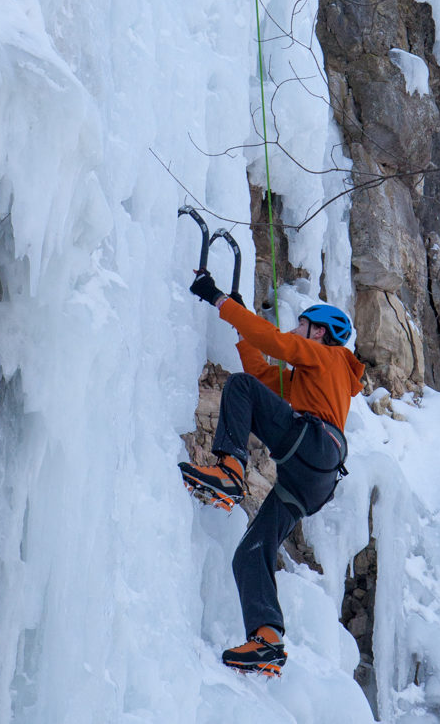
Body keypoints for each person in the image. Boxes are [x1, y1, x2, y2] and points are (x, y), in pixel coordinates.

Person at [180, 270, 365, 677]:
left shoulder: (328, 356)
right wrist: (244, 330)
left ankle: (230, 469)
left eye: (302, 324)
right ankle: (268, 639)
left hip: (314, 445)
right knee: (251, 551)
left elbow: (274, 346)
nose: (295, 329)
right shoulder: (313, 378)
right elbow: (268, 378)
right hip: (314, 480)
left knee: (240, 387)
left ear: (319, 332)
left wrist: (220, 302)